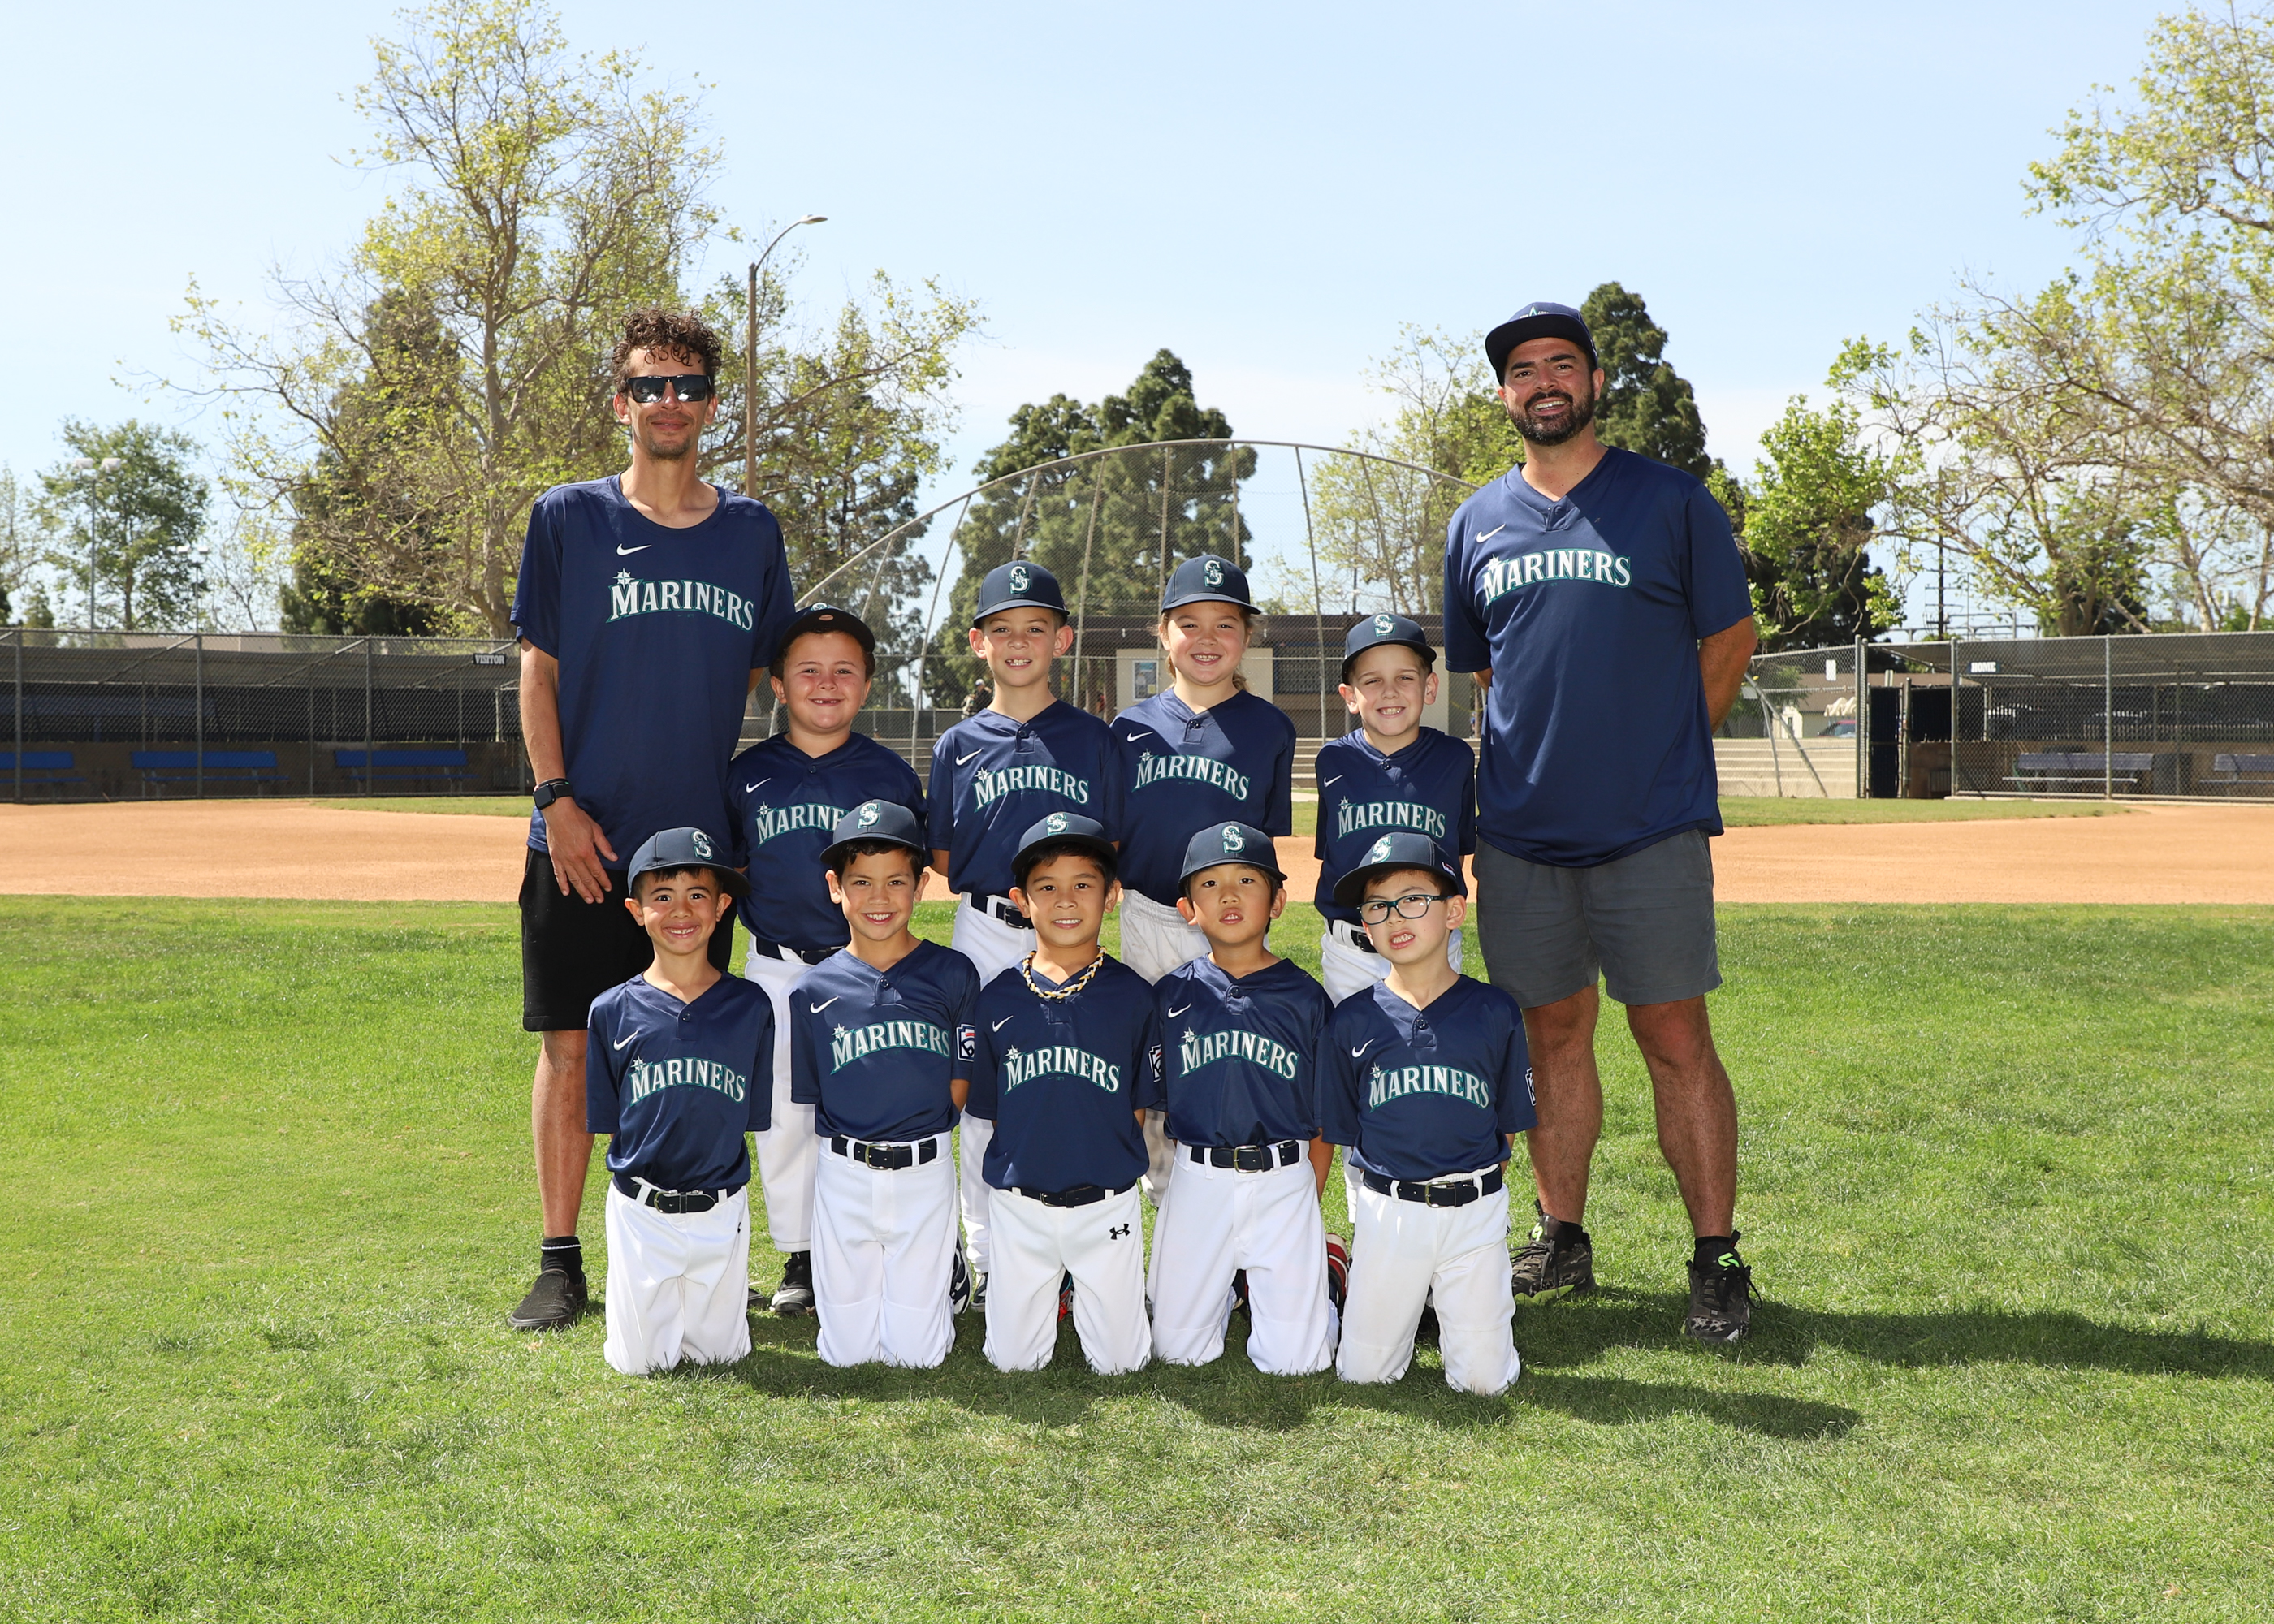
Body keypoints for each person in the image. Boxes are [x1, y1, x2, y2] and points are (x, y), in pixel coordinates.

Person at [1444, 300, 1760, 1344]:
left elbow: (1729, 637)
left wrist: (1662, 751)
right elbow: (1490, 672)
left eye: (1560, 364)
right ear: (1505, 394)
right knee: (1550, 1033)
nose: (1543, 383)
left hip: (1649, 827)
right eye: (1523, 370)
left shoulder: (1669, 501)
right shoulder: (1475, 522)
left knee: (1673, 1033)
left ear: (1592, 380)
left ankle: (1715, 1257)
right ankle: (1562, 1234)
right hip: (1522, 831)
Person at [508, 308, 796, 1332]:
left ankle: (698, 1243)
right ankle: (560, 1259)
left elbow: (762, 675)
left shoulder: (751, 532)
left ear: (712, 405)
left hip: (696, 852)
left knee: (695, 1047)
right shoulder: (568, 517)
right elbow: (538, 669)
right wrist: (557, 799)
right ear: (621, 402)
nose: (669, 402)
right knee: (570, 1049)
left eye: (688, 386)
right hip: (582, 839)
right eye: (649, 385)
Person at [927, 560, 1126, 1308]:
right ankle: (989, 1259)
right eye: (1002, 629)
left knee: (1069, 1079)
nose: (1018, 642)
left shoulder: (1095, 740)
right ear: (978, 642)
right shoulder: (958, 744)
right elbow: (945, 858)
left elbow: (1112, 847)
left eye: (1035, 628)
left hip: (1070, 929)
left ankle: (1072, 1250)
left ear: (1062, 640)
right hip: (986, 929)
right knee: (982, 1092)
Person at [726, 604, 925, 1318]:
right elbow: (732, 872)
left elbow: (909, 876)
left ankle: (885, 1244)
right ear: (778, 686)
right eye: (808, 670)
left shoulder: (889, 774)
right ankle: (802, 1254)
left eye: (845, 670)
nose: (827, 683)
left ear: (867, 685)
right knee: (785, 1115)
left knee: (875, 1102)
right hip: (777, 966)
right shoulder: (746, 775)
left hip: (868, 967)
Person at [1318, 832, 1533, 1396]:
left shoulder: (1494, 1010)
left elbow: (1507, 1122)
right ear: (1365, 926)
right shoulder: (1352, 1020)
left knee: (1484, 1383)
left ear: (1454, 911)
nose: (1394, 917)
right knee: (1364, 1375)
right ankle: (1341, 1277)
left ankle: (1469, 1309)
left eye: (1413, 899)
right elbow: (1343, 1130)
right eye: (1377, 906)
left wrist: (1472, 1191)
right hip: (1390, 1211)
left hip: (1475, 1212)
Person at [1112, 554, 1296, 1203]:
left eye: (1226, 624)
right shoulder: (1129, 729)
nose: (1207, 638)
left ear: (1247, 637)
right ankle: (1165, 1198)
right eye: (1189, 623)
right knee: (1152, 1061)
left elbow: (1264, 844)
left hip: (1227, 924)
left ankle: (1224, 1197)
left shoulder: (1269, 728)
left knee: (1221, 1059)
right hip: (1149, 915)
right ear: (1163, 633)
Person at [955, 814, 1156, 1376]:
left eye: (1083, 884)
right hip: (1021, 1207)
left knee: (1121, 1364)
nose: (1066, 900)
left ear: (1111, 895)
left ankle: (1084, 1289)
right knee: (1013, 1363)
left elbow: (1136, 1109)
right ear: (1022, 901)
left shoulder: (1134, 996)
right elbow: (995, 1112)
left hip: (1106, 1203)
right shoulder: (997, 998)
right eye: (1047, 886)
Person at [789, 802, 980, 1369]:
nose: (879, 898)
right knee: (845, 1355)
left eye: (896, 881)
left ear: (920, 886)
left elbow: (962, 1077)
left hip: (924, 1169)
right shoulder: (812, 990)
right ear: (835, 887)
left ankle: (946, 1263)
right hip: (845, 1173)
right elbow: (818, 1092)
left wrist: (927, 1130)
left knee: (918, 1356)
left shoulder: (953, 972)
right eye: (862, 882)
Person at [1147, 823, 1338, 1376]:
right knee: (1177, 1352)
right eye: (1210, 884)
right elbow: (1157, 1103)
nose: (1229, 896)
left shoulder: (1306, 998)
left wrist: (1306, 1203)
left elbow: (1323, 1120)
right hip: (1198, 1179)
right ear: (1188, 909)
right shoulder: (1171, 996)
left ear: (1277, 901)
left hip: (1283, 1177)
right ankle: (1227, 1285)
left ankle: (1327, 1275)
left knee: (1298, 1363)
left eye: (1247, 881)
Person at [585, 828, 772, 1375]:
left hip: (721, 1208)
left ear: (721, 908)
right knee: (640, 1364)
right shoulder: (611, 1011)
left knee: (721, 1356)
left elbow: (748, 1116)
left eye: (697, 895)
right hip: (642, 1211)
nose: (681, 911)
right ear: (635, 910)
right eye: (662, 896)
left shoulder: (751, 1005)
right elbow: (614, 1122)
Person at [1312, 613, 1477, 1003]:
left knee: (1432, 1041)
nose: (1389, 692)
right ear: (1350, 696)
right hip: (1351, 951)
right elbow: (1333, 854)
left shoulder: (1454, 758)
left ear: (1430, 686)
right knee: (1350, 1040)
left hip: (1431, 947)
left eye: (1405, 677)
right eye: (1372, 681)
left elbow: (1457, 854)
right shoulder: (1333, 760)